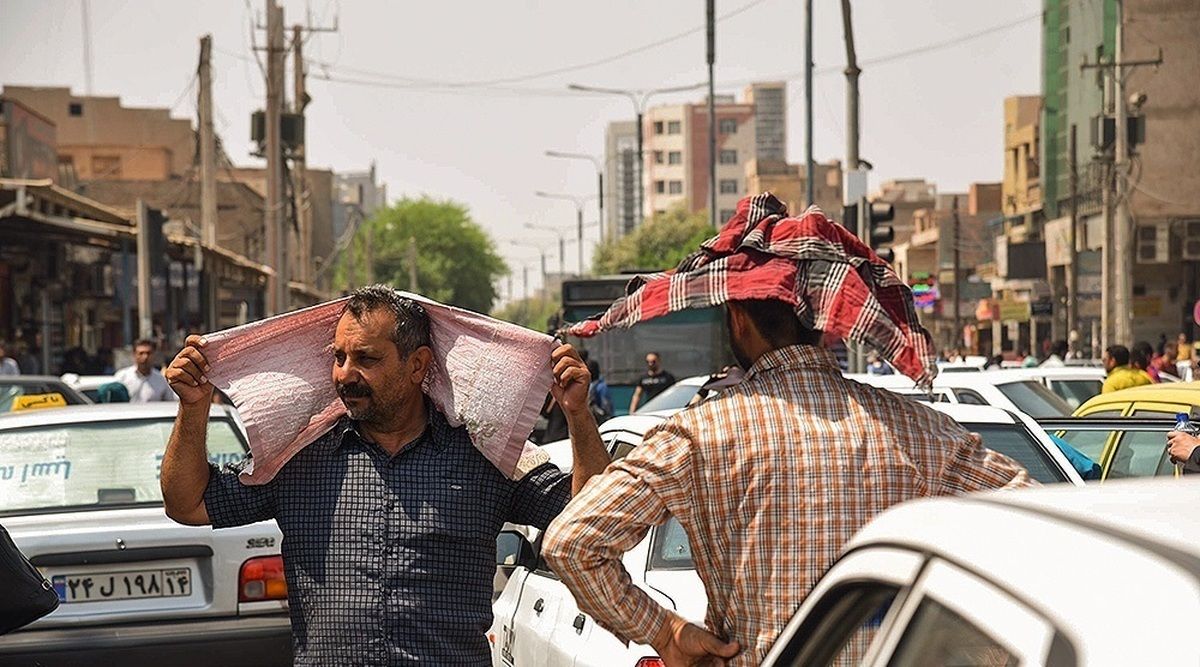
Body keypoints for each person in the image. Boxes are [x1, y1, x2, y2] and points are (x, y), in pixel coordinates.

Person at [544, 299, 1033, 664]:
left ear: (738, 318)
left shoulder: (698, 433)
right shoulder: (915, 427)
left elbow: (573, 541)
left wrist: (665, 632)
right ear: (821, 321)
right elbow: (1039, 525)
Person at [159, 286, 610, 664]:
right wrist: (194, 407)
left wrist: (578, 414)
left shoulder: (484, 457)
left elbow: (596, 519)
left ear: (417, 365)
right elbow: (187, 503)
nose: (345, 374)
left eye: (366, 358)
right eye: (339, 357)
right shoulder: (298, 458)